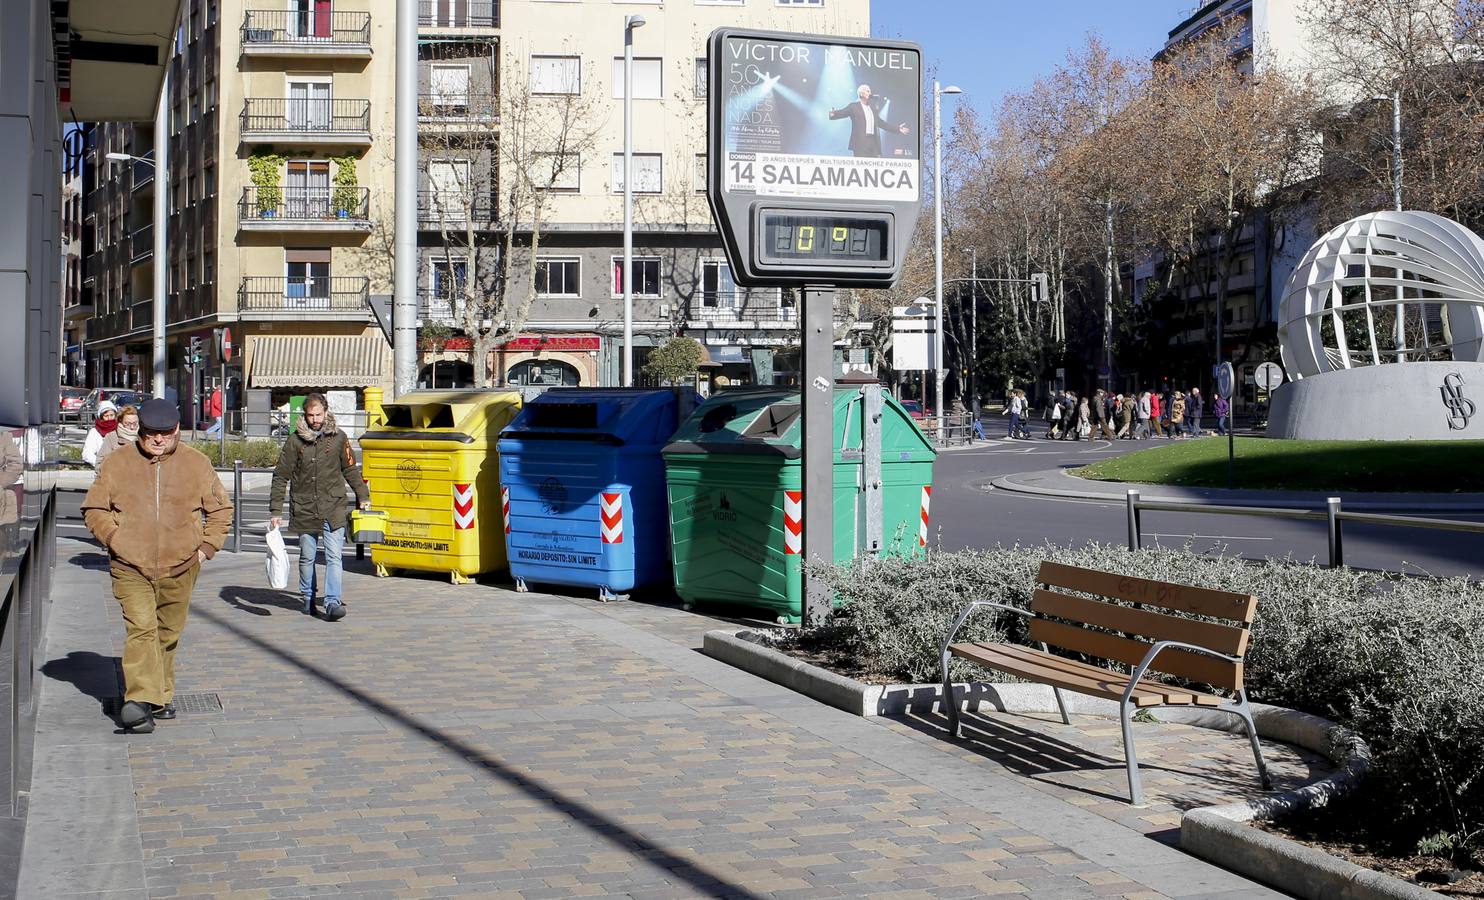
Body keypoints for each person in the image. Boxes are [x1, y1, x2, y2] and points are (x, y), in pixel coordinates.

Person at [81, 399, 233, 733]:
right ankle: (137, 702)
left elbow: (221, 510)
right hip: (129, 566)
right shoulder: (118, 462)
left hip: (181, 565)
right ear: (140, 430)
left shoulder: (196, 463)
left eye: (165, 433)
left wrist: (205, 549)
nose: (158, 440)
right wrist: (115, 539)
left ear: (177, 429)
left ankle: (160, 695)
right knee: (142, 629)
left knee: (167, 633)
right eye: (151, 433)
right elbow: (94, 508)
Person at [269, 393, 370, 621]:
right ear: (305, 415)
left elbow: (350, 469)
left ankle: (333, 601)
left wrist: (363, 495)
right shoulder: (295, 441)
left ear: (326, 412)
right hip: (304, 507)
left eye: (318, 415)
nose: (315, 419)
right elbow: (281, 475)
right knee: (308, 556)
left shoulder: (339, 438)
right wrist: (275, 510)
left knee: (334, 557)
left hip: (333, 506)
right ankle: (308, 596)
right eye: (310, 415)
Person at [828, 84, 910, 158]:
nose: (870, 93)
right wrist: (832, 113)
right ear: (861, 94)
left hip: (873, 142)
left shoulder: (872, 108)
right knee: (861, 165)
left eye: (870, 91)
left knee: (874, 164)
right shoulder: (854, 107)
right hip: (860, 143)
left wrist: (897, 128)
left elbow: (881, 123)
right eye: (867, 91)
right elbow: (842, 112)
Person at [82, 400, 119, 468]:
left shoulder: (120, 429)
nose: (109, 418)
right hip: (103, 469)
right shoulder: (94, 432)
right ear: (101, 417)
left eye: (111, 415)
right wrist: (102, 464)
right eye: (106, 416)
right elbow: (87, 453)